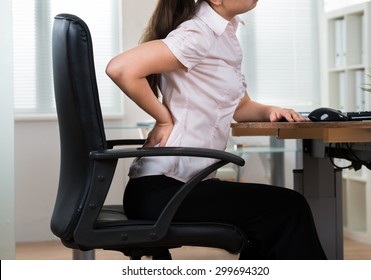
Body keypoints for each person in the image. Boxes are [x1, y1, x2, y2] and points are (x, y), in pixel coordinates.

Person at [106, 0, 327, 259]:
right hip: (164, 191)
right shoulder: (198, 33)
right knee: (289, 207)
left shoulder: (223, 33)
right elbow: (120, 68)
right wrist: (163, 119)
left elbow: (240, 106)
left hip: (177, 187)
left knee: (272, 218)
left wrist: (270, 111)